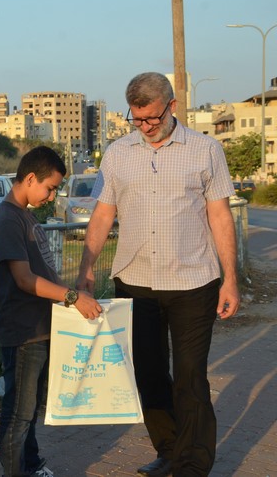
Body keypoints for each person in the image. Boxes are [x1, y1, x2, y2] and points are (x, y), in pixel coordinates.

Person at [77, 72, 240, 477]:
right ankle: (168, 450)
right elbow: (103, 214)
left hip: (193, 283)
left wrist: (230, 278)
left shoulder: (205, 150)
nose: (145, 127)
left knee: (190, 378)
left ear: (172, 107)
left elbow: (219, 216)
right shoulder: (117, 153)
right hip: (135, 283)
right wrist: (85, 270)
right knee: (149, 374)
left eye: (151, 118)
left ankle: (192, 464)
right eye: (137, 119)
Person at [0, 146, 101, 477]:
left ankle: (31, 465)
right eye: (50, 188)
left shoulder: (24, 214)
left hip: (39, 327)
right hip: (23, 331)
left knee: (29, 408)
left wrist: (73, 294)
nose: (52, 196)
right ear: (30, 178)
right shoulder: (9, 218)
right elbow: (24, 279)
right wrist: (72, 297)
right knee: (18, 413)